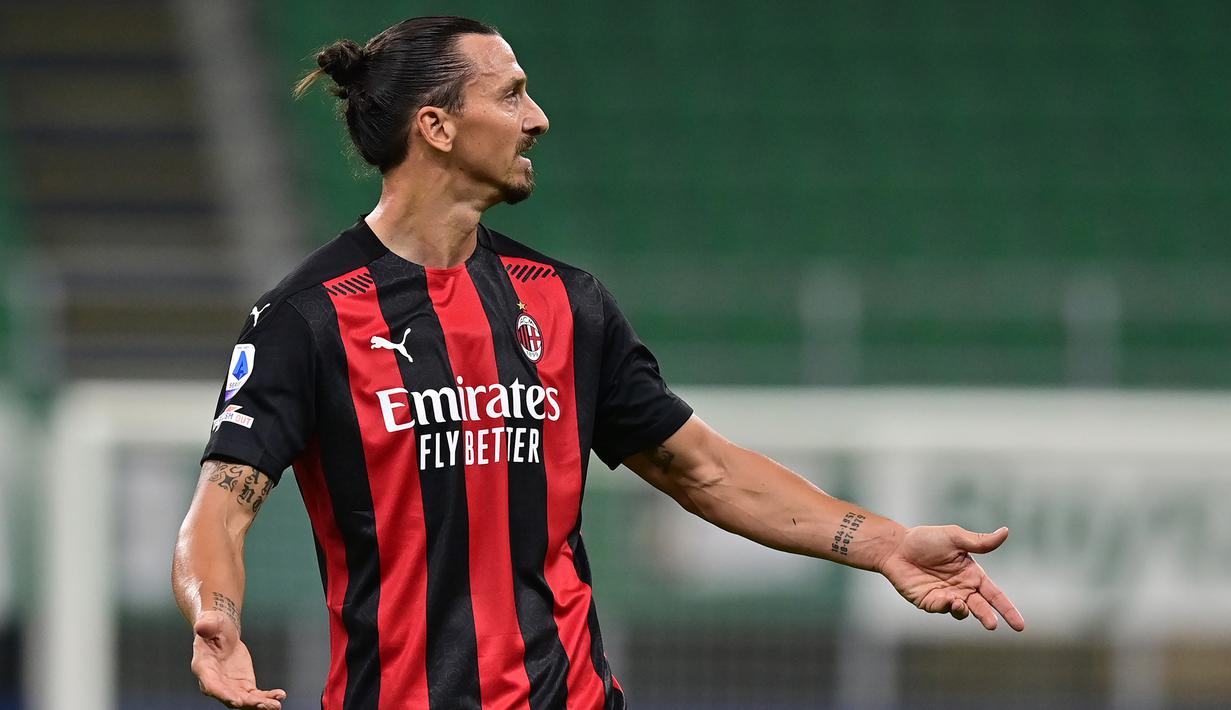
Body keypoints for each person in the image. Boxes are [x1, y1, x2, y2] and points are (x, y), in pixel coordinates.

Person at [171, 16, 1025, 710]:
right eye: (509, 94)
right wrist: (216, 616)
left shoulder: (564, 303)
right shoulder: (309, 316)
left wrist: (882, 544)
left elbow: (706, 472)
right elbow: (221, 511)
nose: (537, 116)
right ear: (434, 126)